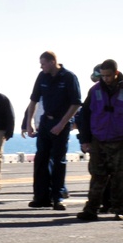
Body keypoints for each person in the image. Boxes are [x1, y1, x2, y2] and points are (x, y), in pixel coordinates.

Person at [76, 60, 123, 221]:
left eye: (108, 75)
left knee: (119, 176)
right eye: (103, 76)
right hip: (98, 139)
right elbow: (85, 115)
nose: (105, 79)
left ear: (116, 73)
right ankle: (91, 210)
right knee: (97, 176)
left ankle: (119, 209)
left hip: (119, 140)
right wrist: (84, 140)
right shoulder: (95, 90)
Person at [24, 51, 82, 210]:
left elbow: (76, 103)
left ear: (52, 62)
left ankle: (57, 197)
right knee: (41, 160)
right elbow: (33, 100)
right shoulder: (42, 76)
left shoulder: (69, 77)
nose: (41, 67)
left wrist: (62, 124)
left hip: (61, 124)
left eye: (43, 63)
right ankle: (41, 197)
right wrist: (29, 122)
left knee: (58, 161)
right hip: (45, 123)